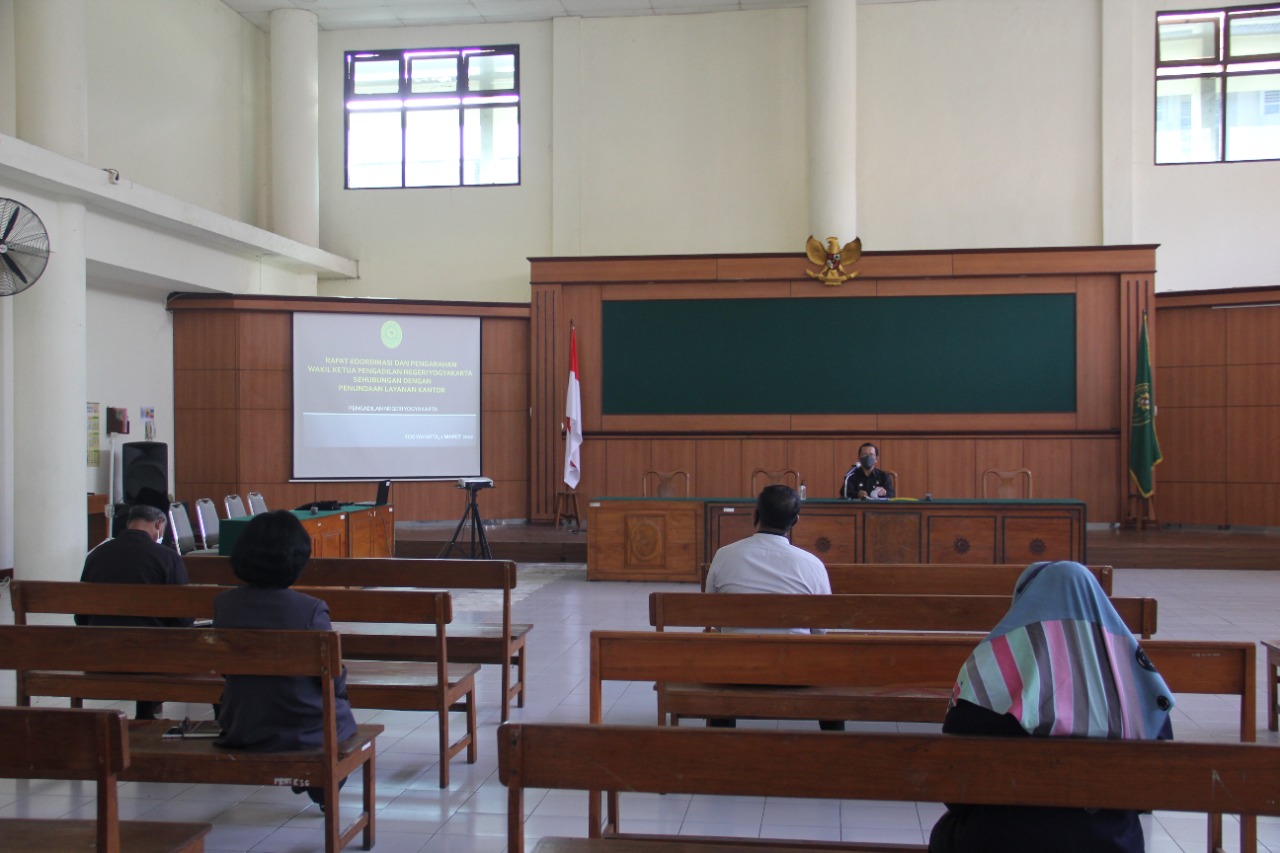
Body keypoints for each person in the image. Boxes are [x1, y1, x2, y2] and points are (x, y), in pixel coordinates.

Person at [928, 560, 1175, 853]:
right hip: (1109, 844)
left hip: (1003, 841)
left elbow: (955, 787)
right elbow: (1150, 792)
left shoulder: (989, 671)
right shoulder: (1137, 684)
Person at [212, 510, 357, 809]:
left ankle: (314, 783)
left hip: (244, 721)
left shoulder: (224, 605)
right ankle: (321, 784)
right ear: (298, 559)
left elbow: (226, 669)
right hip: (302, 726)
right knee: (339, 712)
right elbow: (331, 677)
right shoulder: (311, 610)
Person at [704, 484, 842, 730]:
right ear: (795, 521)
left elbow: (712, 617)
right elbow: (821, 630)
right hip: (796, 672)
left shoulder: (724, 555)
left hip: (735, 669)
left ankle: (720, 737)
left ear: (755, 515)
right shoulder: (812, 564)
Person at [76, 502, 193, 720]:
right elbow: (182, 615)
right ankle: (146, 717)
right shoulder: (167, 557)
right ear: (159, 524)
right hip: (150, 655)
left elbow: (81, 616)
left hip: (100, 652)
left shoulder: (96, 555)